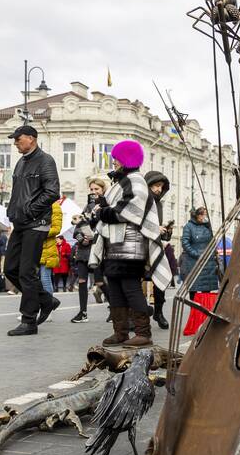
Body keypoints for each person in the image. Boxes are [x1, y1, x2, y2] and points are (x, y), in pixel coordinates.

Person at [89, 140, 172, 347]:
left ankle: (143, 333)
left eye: (117, 158)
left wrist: (103, 212)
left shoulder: (135, 181)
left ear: (126, 159)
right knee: (115, 288)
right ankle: (121, 332)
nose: (114, 162)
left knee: (131, 288)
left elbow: (129, 211)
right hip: (114, 245)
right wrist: (98, 212)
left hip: (131, 246)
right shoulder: (124, 181)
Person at [3, 124, 60, 336]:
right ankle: (46, 299)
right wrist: (15, 212)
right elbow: (19, 193)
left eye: (18, 139)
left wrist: (29, 210)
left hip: (36, 223)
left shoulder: (45, 160)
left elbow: (53, 191)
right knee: (10, 269)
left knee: (27, 271)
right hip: (20, 223)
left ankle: (29, 321)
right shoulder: (21, 162)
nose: (15, 142)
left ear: (31, 138)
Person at [70, 178, 106, 323]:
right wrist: (81, 238)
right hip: (83, 250)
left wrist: (92, 236)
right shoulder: (86, 207)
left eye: (96, 189)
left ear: (103, 190)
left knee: (100, 282)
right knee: (82, 281)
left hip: (97, 248)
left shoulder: (105, 206)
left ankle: (114, 310)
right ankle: (83, 312)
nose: (93, 192)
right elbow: (77, 228)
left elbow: (103, 226)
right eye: (91, 189)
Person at [180, 206, 219, 336]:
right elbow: (185, 242)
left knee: (206, 293)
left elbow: (212, 242)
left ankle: (204, 320)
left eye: (206, 214)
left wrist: (213, 254)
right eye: (202, 215)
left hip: (208, 262)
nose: (204, 217)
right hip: (194, 263)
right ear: (197, 215)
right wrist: (196, 254)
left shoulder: (207, 226)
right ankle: (194, 319)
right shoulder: (188, 227)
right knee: (194, 292)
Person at [143, 170, 172, 330]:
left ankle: (158, 312)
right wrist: (155, 228)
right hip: (140, 245)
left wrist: (166, 232)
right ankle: (138, 314)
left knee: (160, 280)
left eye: (161, 187)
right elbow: (137, 221)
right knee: (136, 280)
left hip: (155, 245)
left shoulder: (158, 203)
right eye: (156, 185)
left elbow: (158, 228)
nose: (159, 189)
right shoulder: (141, 201)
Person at [39, 198, 63, 295]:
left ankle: (48, 304)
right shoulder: (34, 203)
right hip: (33, 247)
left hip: (47, 247)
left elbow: (56, 228)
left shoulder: (54, 206)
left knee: (45, 278)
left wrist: (39, 233)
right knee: (32, 279)